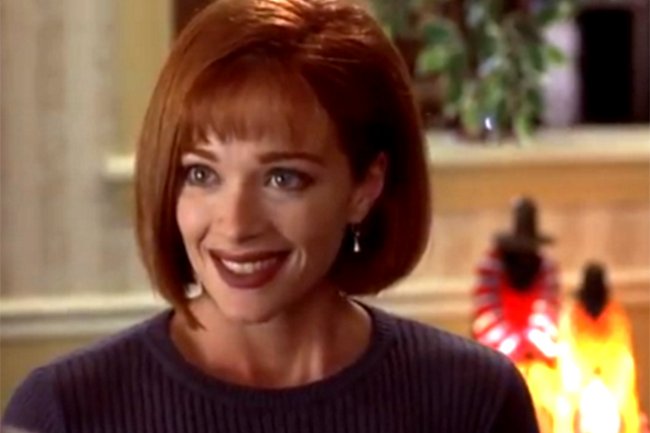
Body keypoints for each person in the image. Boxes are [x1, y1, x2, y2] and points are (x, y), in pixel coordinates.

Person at [2, 0, 539, 431]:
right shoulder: (65, 411)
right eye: (201, 173)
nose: (236, 225)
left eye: (283, 178)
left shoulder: (473, 400)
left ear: (365, 187)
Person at [471, 196, 559, 432]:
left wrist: (533, 351)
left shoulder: (547, 269)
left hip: (537, 362)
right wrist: (513, 354)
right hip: (495, 362)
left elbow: (548, 314)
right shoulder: (490, 269)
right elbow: (487, 318)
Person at [554, 263, 643, 433]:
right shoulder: (572, 316)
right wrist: (585, 382)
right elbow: (567, 352)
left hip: (611, 379)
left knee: (628, 401)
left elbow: (622, 354)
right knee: (564, 407)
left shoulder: (616, 315)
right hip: (579, 380)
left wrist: (605, 382)